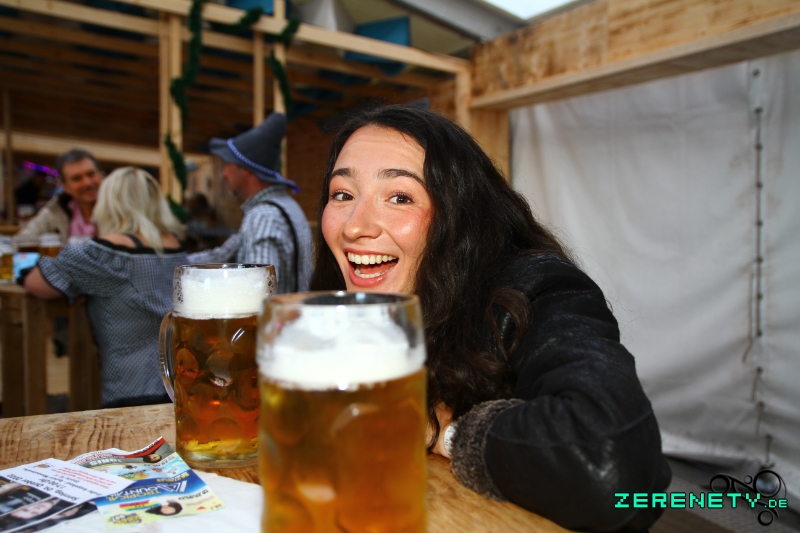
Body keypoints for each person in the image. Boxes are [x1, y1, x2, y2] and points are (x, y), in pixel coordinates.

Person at [309, 106, 671, 532]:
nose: (355, 227)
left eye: (400, 197)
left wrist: (444, 432)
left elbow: (614, 460)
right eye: (343, 194)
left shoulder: (537, 287)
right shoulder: (347, 307)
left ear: (460, 213)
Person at [23, 167, 187, 408]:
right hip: (180, 383)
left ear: (108, 202)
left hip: (131, 390)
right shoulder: (176, 246)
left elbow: (37, 283)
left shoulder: (104, 254)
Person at [188, 113, 312, 294]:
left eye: (228, 164)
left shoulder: (263, 216)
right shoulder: (287, 205)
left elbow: (258, 293)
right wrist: (169, 262)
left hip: (277, 314)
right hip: (295, 310)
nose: (224, 174)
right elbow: (224, 253)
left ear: (244, 169)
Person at [13, 149, 103, 246]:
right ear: (65, 186)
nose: (87, 183)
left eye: (91, 174)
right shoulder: (56, 211)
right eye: (77, 178)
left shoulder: (115, 208)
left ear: (101, 175)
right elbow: (19, 242)